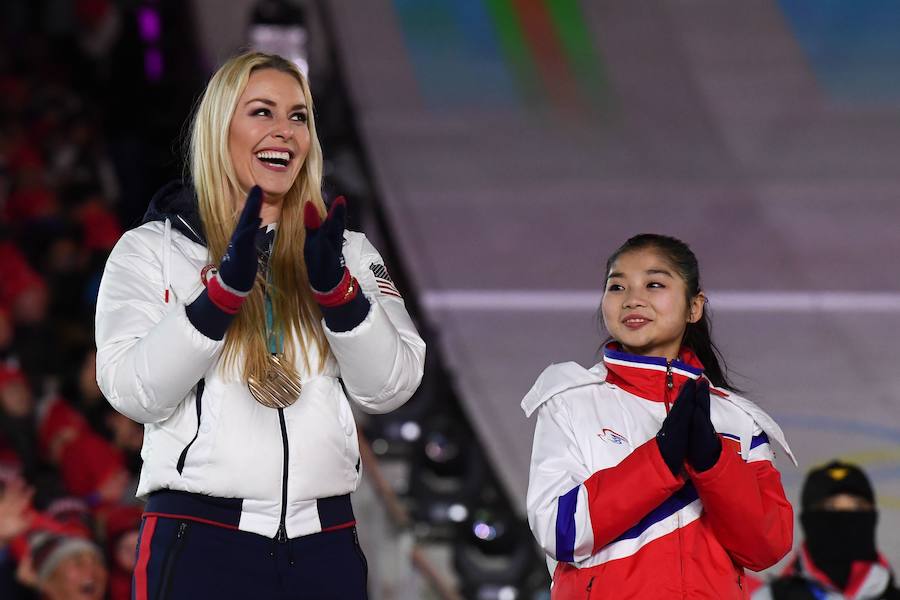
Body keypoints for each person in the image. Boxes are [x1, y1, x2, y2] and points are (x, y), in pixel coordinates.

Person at [94, 51, 425, 599]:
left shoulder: (348, 252)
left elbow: (393, 386)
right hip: (201, 541)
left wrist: (339, 297)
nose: (284, 132)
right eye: (262, 112)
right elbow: (134, 392)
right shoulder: (151, 249)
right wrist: (218, 298)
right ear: (220, 127)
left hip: (326, 547)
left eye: (299, 117)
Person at [522, 234, 796, 599]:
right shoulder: (569, 401)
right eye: (617, 286)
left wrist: (713, 464)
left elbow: (767, 547)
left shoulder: (737, 419)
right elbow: (560, 532)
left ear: (694, 307)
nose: (633, 299)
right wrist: (661, 460)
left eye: (654, 284)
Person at [753, 461, 900, 600]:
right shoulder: (768, 597)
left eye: (857, 507)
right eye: (830, 507)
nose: (845, 518)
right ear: (807, 520)